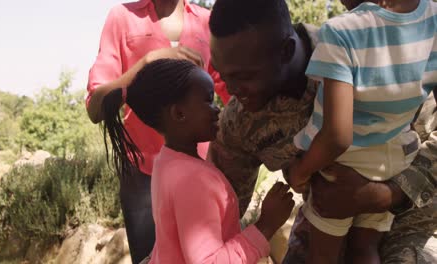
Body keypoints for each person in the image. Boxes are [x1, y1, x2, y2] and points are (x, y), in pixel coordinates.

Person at [207, 0, 436, 262]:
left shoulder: (362, 49)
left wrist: (385, 195)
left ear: (285, 51)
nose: (230, 90)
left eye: (244, 76)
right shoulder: (239, 124)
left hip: (410, 219)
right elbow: (215, 218)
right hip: (328, 218)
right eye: (223, 75)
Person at [102, 58, 295, 263]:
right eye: (208, 100)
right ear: (179, 113)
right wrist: (265, 225)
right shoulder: (192, 180)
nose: (217, 109)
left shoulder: (166, 162)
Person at [287, 0, 436, 263]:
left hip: (342, 165)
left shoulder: (341, 32)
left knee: (322, 254)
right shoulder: (432, 18)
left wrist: (301, 170)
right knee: (365, 249)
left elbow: (337, 136)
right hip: (394, 159)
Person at [85, 1, 229, 263]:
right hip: (141, 177)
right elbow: (96, 108)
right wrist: (148, 61)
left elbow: (234, 91)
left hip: (202, 170)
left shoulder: (209, 22)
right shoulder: (122, 18)